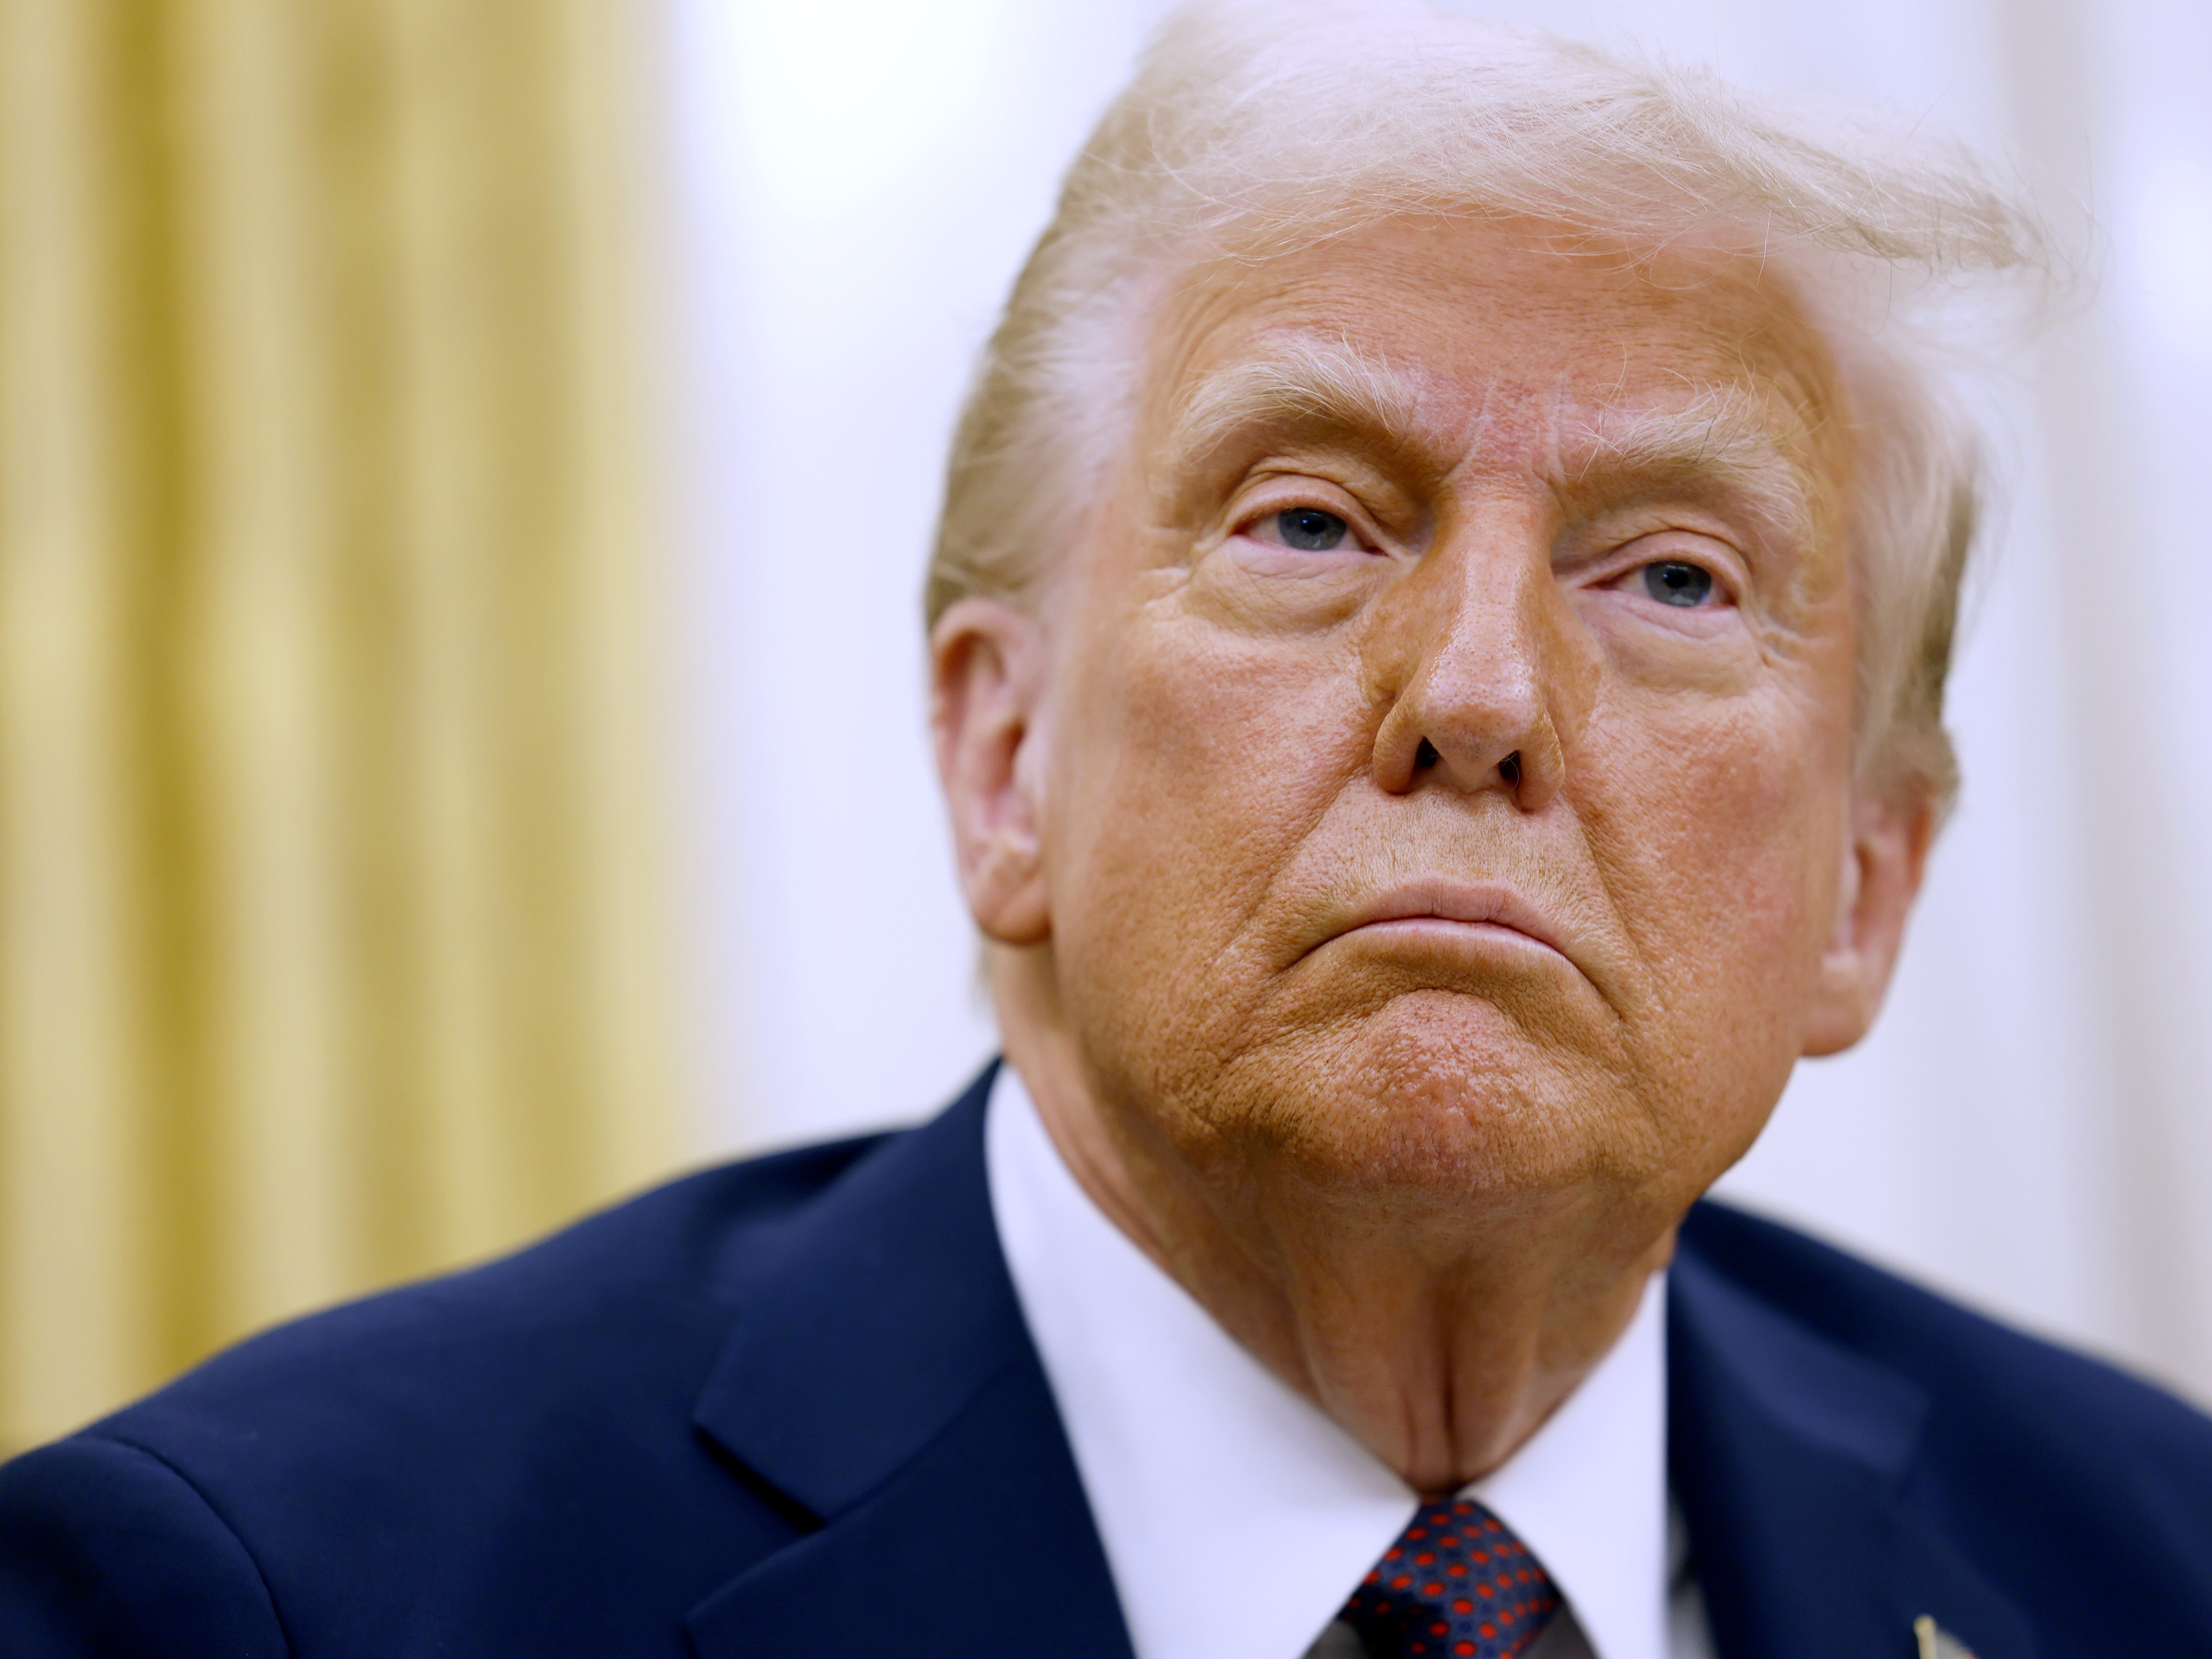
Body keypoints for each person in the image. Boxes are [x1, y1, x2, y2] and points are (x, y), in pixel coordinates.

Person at [4, 3, 2210, 1655]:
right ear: (1004, 758)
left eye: (1672, 579)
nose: (1476, 695)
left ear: (1862, 887)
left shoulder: (2147, 1557)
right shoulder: (268, 1595)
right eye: (1311, 522)